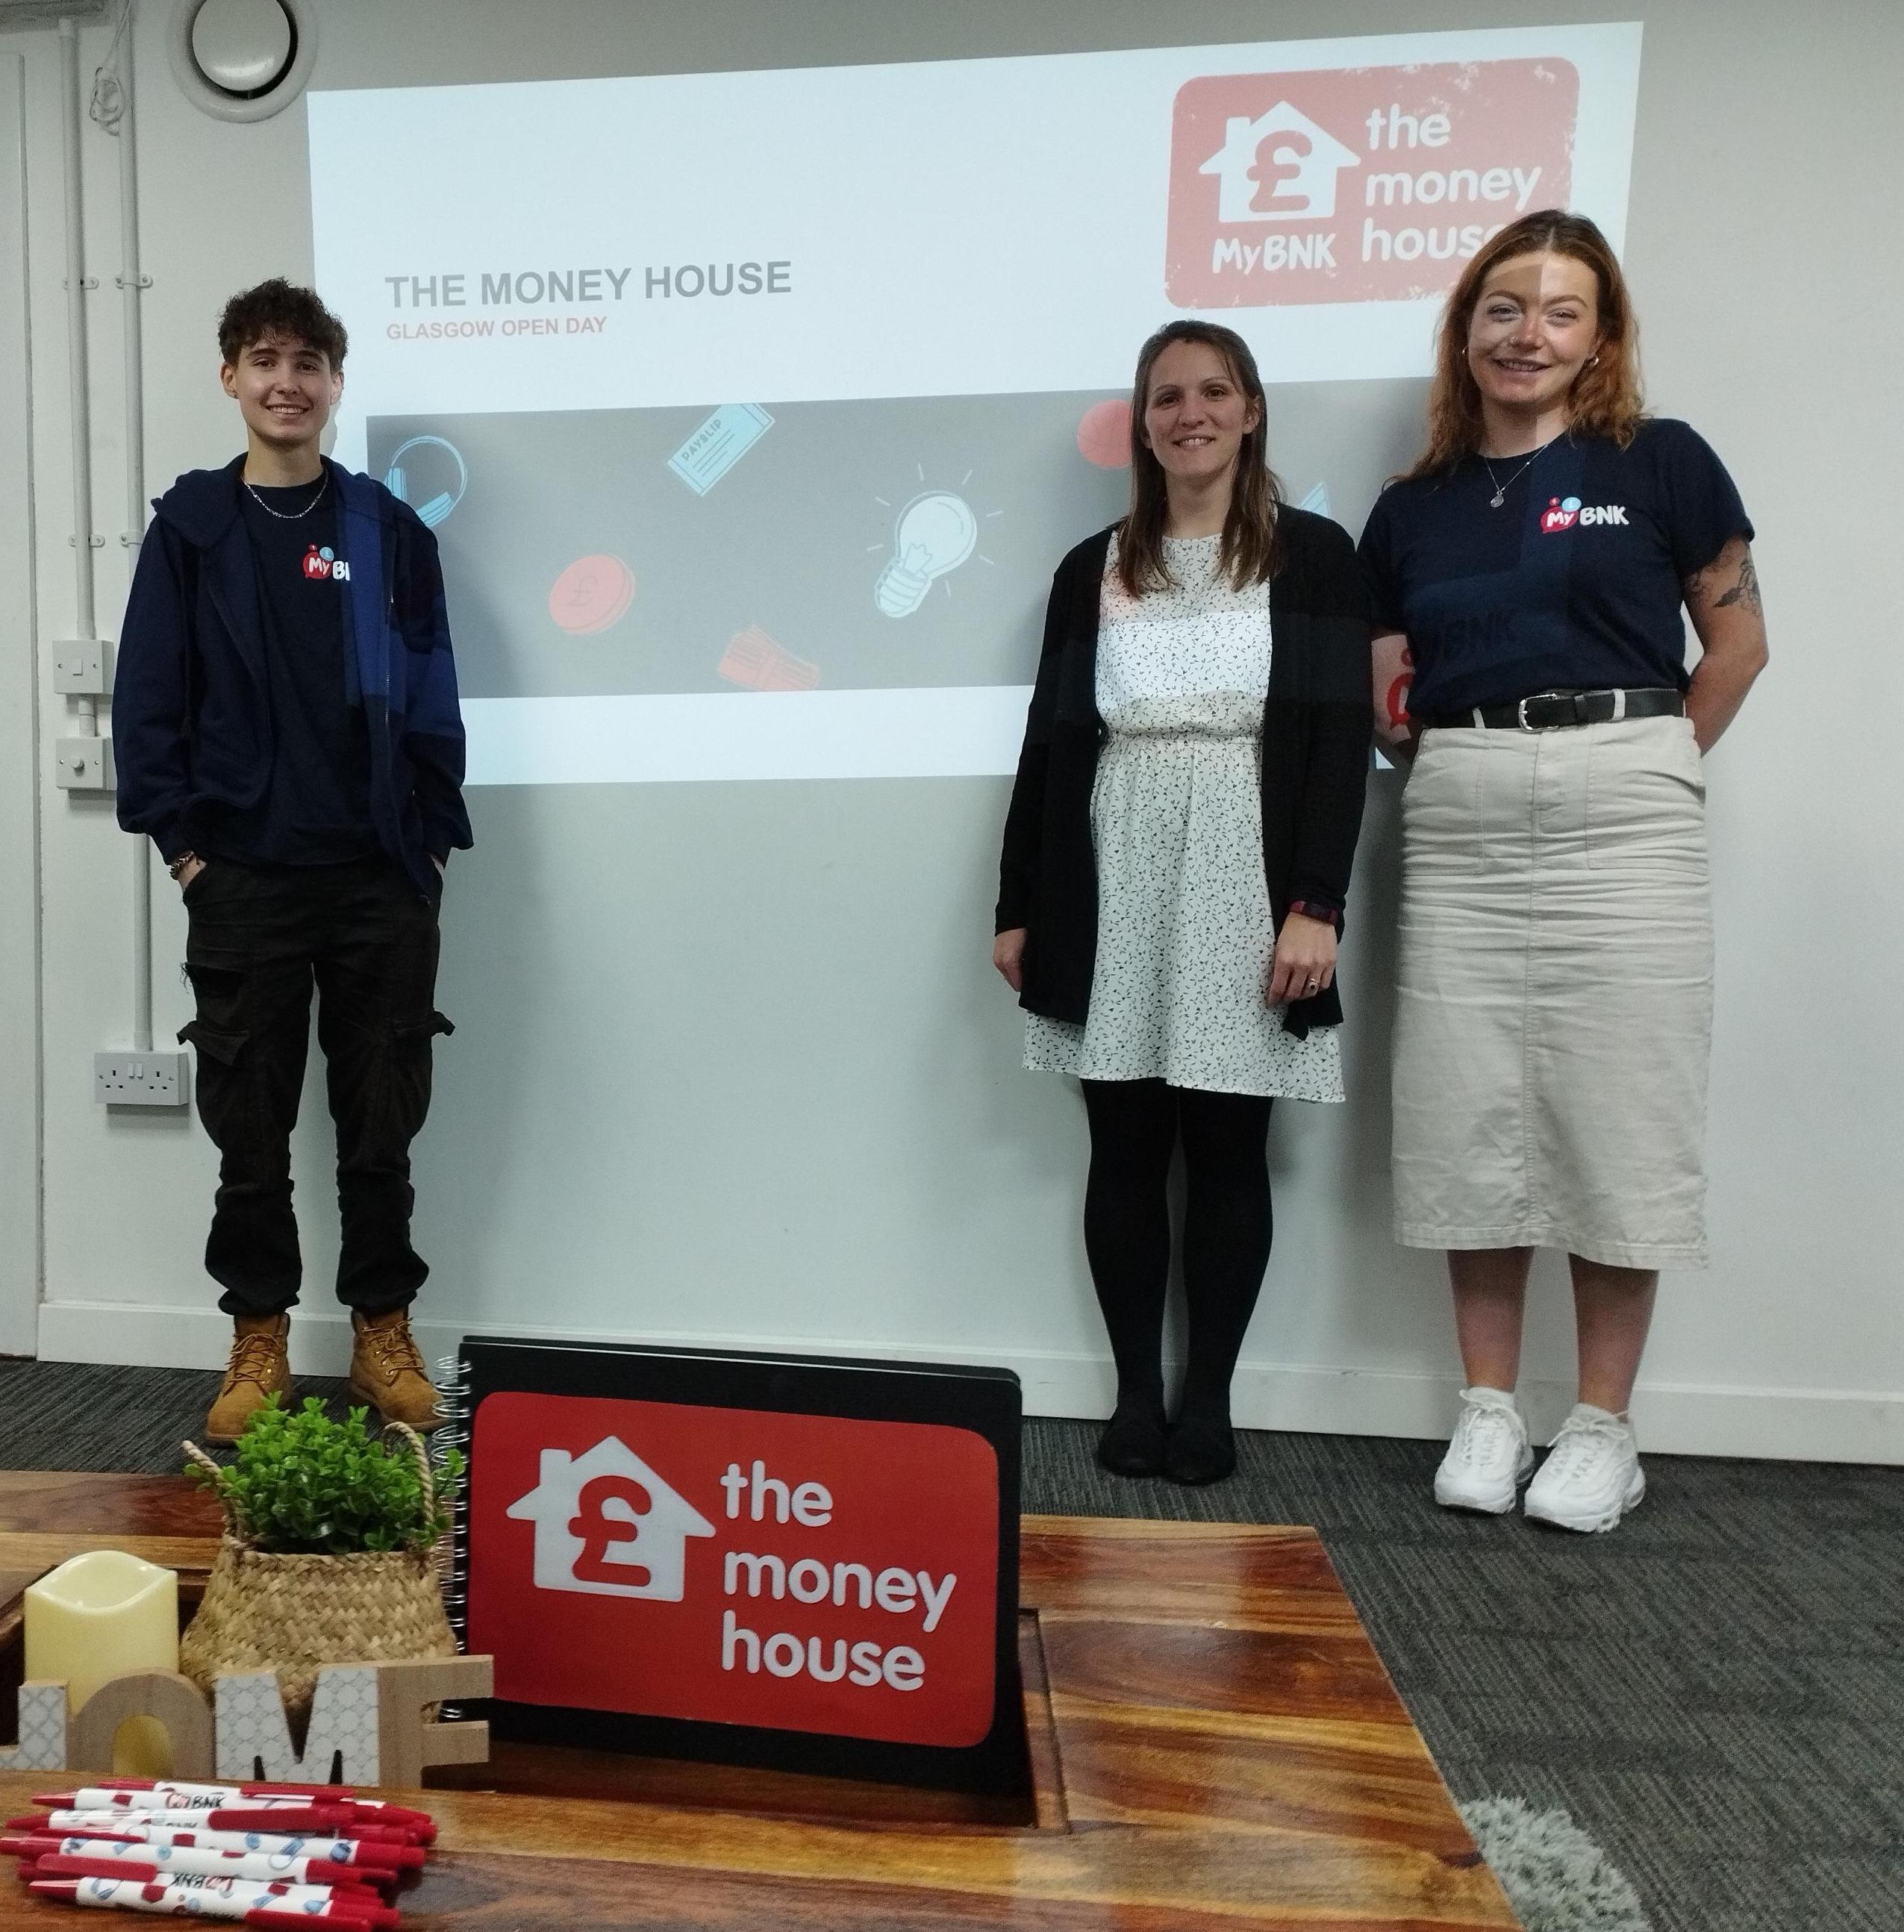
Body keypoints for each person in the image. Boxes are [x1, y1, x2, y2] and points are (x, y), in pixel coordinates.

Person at [1358, 212, 1767, 1531]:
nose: (1527, 333)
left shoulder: (1661, 462)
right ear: (1466, 330)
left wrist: (1651, 757)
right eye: (1502, 307)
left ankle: (1602, 1429)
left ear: (1601, 334)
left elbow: (1740, 645)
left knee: (1618, 1112)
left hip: (1626, 802)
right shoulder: (1411, 504)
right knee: (1469, 1107)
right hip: (1465, 808)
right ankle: (1490, 1411)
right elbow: (1387, 692)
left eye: (1560, 310)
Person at [994, 320, 1372, 1484]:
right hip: (1114, 864)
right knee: (1122, 1141)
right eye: (1167, 396)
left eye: (1214, 392)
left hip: (1247, 871)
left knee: (1225, 1143)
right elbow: (1051, 745)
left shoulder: (1311, 555)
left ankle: (1208, 1398)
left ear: (1252, 410)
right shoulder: (1091, 566)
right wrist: (1021, 904)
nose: (1189, 413)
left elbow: (1337, 743)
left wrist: (1318, 902)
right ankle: (1132, 1395)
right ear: (1144, 420)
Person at [114, 279, 472, 1441]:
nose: (286, 381)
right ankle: (258, 1338)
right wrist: (185, 852)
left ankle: (382, 1331)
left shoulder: (386, 531)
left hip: (376, 878)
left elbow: (432, 698)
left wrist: (423, 849)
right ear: (230, 377)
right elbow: (147, 702)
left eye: (308, 362)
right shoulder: (192, 532)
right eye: (263, 359)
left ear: (333, 384)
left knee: (381, 1125)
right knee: (251, 1131)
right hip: (245, 882)